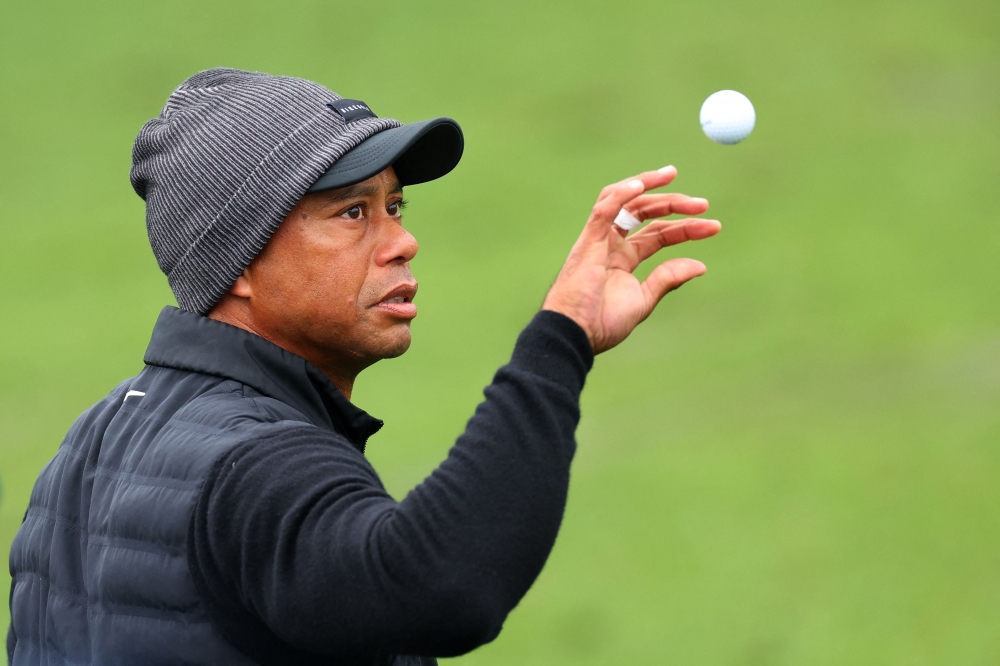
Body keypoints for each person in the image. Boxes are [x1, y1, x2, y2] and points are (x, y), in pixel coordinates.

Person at [7, 68, 720, 666]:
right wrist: (560, 338)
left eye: (397, 206)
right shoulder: (257, 462)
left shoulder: (85, 448)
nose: (403, 241)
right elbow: (440, 585)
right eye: (354, 213)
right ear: (241, 261)